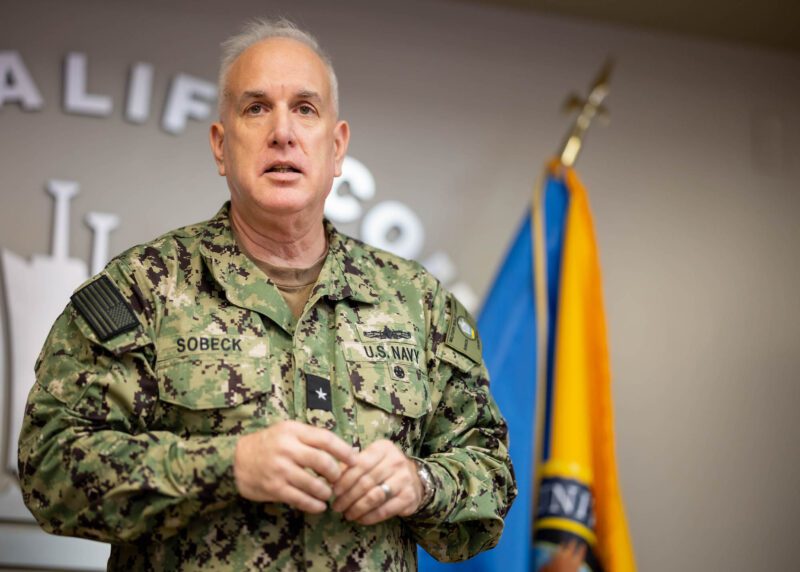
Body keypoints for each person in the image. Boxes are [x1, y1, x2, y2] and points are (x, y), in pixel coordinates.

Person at [18, 18, 516, 571]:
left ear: (337, 146)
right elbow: (50, 470)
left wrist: (420, 482)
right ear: (220, 145)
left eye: (305, 108)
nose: (283, 132)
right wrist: (227, 466)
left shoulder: (418, 303)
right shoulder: (142, 289)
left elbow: (491, 473)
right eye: (256, 108)